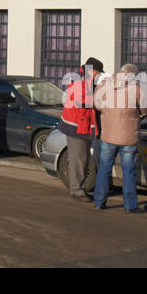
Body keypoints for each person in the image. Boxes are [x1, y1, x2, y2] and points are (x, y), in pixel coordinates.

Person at [93, 64, 147, 212]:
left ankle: (99, 202)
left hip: (108, 135)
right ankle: (130, 206)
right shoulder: (137, 88)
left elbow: (97, 105)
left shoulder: (104, 84)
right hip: (128, 136)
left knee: (104, 169)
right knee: (128, 171)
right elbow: (146, 110)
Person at [58, 57, 103, 202]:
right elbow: (87, 103)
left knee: (79, 159)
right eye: (97, 72)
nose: (98, 75)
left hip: (77, 127)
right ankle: (77, 190)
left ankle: (78, 188)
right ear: (91, 71)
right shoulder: (83, 86)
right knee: (79, 159)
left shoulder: (81, 84)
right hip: (77, 128)